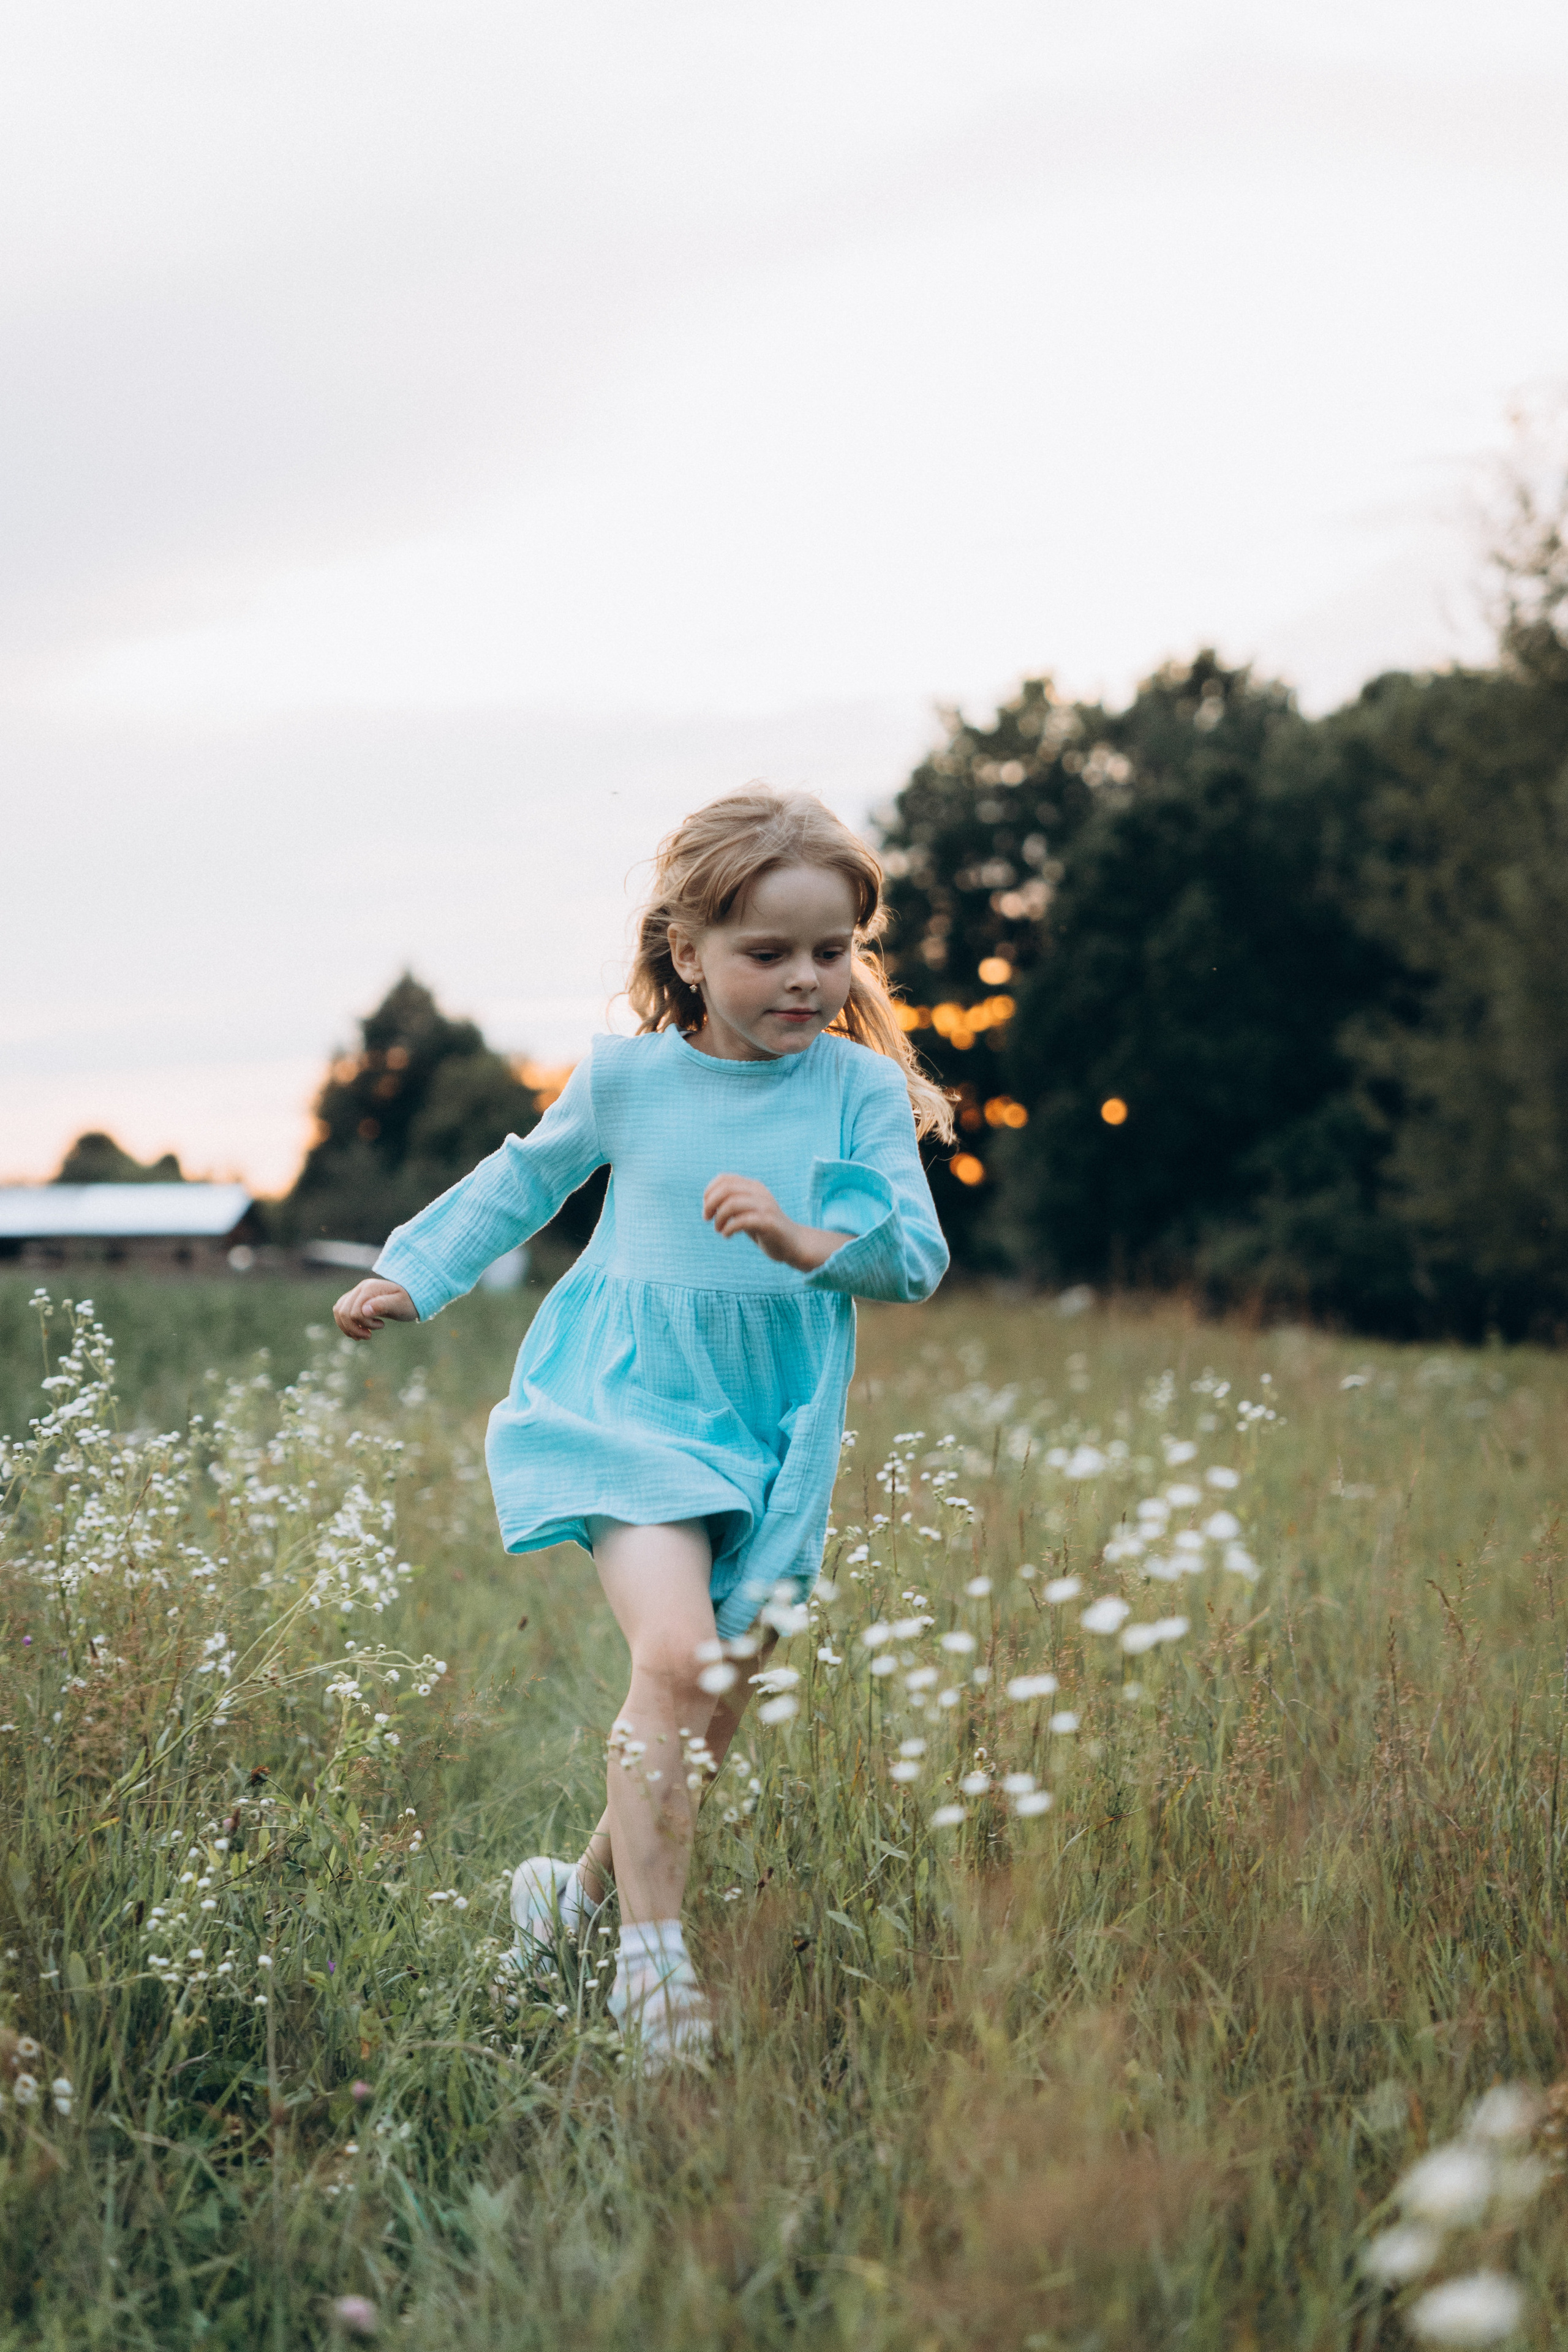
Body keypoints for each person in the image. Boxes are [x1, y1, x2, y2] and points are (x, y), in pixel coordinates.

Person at [333, 788, 952, 2065]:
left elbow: (912, 1263)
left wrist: (799, 1238)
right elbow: (524, 1178)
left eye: (829, 951)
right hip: (624, 1400)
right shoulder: (626, 1079)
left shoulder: (859, 1092)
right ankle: (652, 1974)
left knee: (699, 1712)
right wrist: (416, 1272)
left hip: (774, 1430)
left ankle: (565, 1902)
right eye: (765, 953)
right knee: (671, 1661)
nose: (803, 980)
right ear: (688, 953)